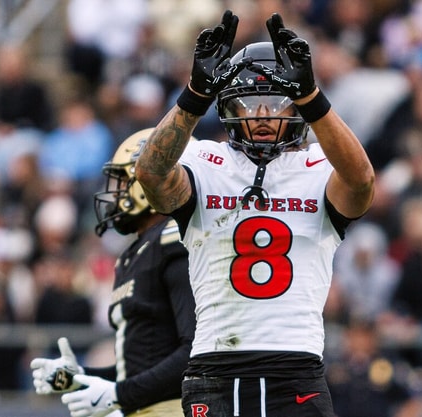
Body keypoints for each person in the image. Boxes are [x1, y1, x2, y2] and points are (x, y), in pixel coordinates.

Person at [133, 10, 375, 417]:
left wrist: (313, 98)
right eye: (249, 102)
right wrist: (193, 95)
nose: (263, 116)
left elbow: (362, 182)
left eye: (277, 102)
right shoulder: (204, 161)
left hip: (295, 367)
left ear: (296, 106)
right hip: (215, 368)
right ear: (228, 107)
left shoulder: (317, 167)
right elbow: (151, 174)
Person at [29, 128, 195, 417]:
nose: (114, 192)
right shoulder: (139, 250)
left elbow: (195, 352)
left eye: (121, 180)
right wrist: (80, 376)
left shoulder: (175, 241)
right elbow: (140, 366)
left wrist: (118, 394)